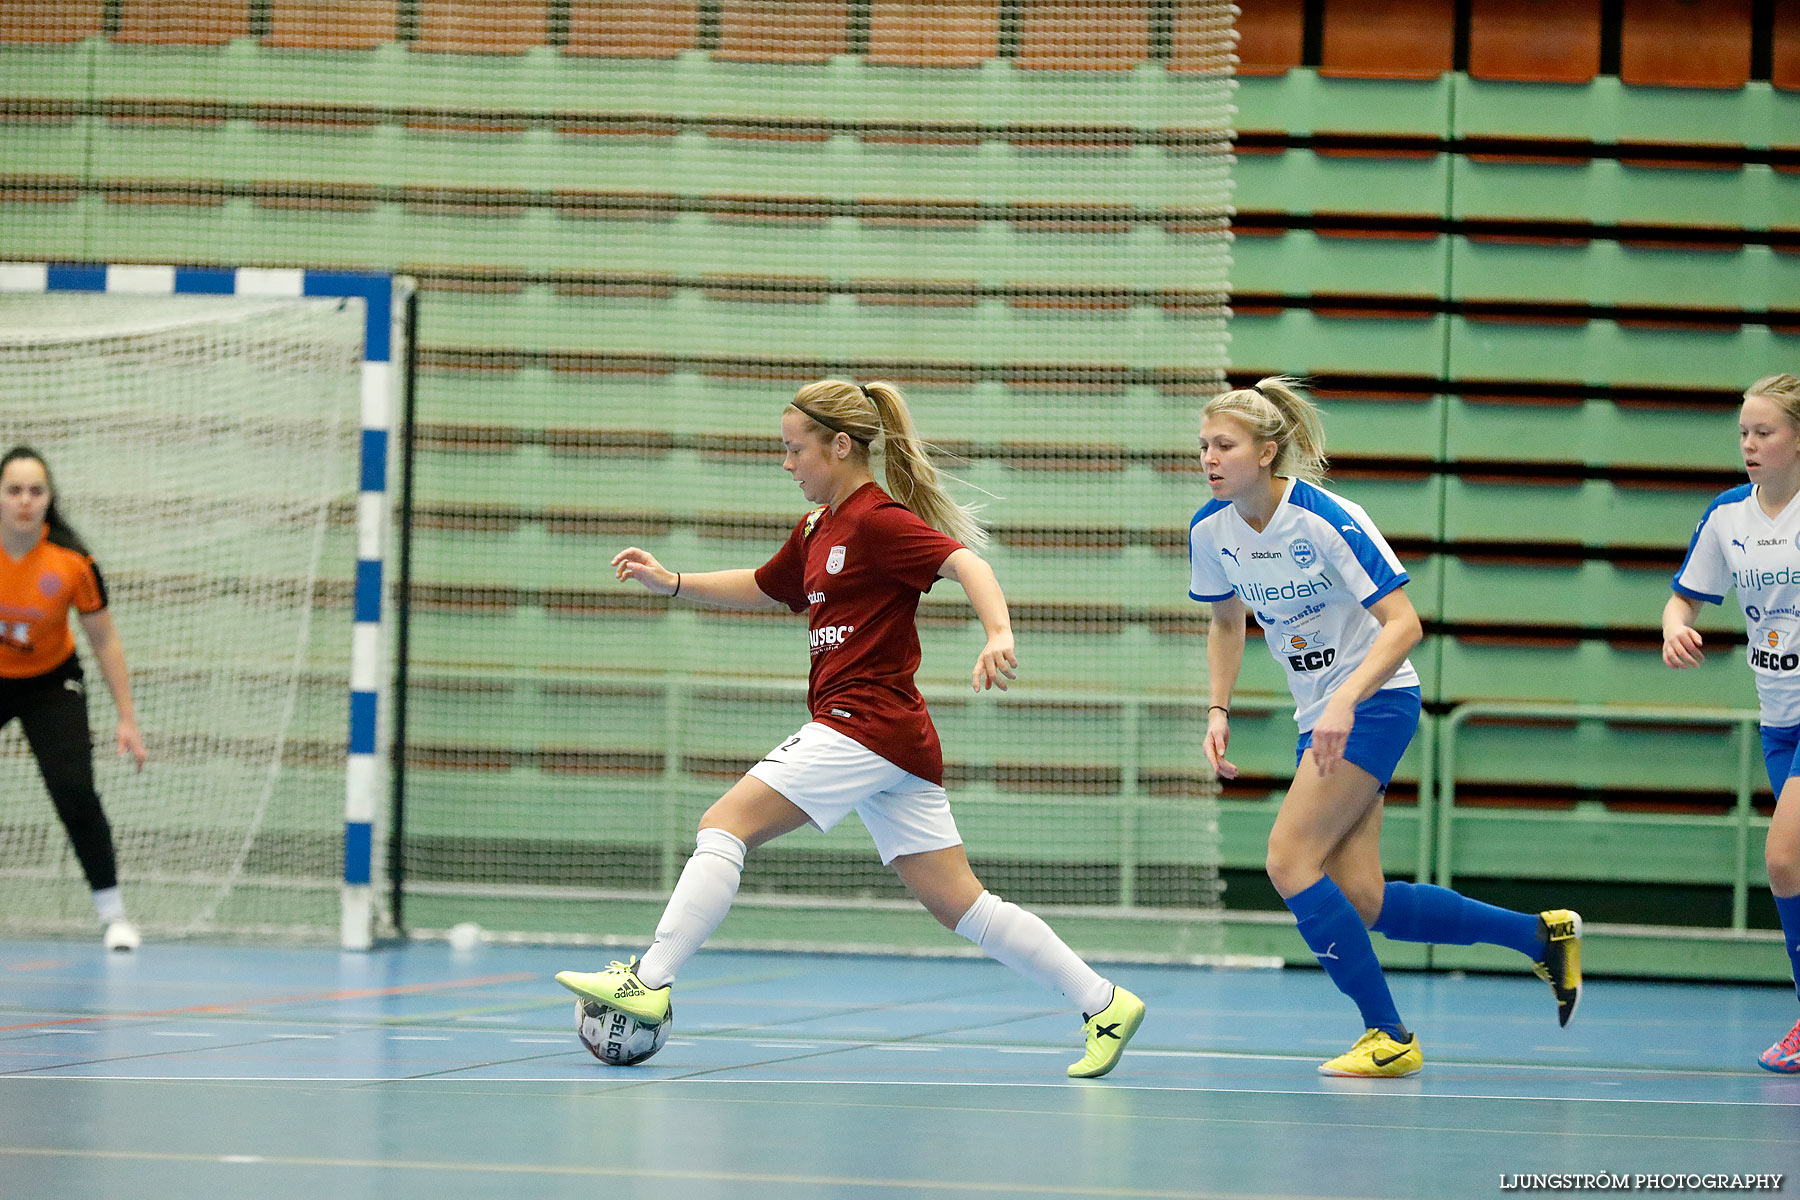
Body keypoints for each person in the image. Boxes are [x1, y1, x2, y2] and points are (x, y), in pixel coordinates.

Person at [556, 378, 1145, 1078]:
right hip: (893, 740)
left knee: (723, 824)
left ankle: (648, 981)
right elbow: (767, 585)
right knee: (962, 904)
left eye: (793, 449)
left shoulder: (876, 519)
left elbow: (965, 561)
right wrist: (674, 581)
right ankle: (1103, 1001)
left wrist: (998, 631)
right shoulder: (816, 529)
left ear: (840, 445)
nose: (786, 463)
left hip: (863, 722)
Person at [1189, 377, 1581, 1078]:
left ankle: (1388, 1034)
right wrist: (1219, 709)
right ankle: (1539, 937)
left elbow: (1404, 625)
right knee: (1364, 898)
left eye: (1224, 445)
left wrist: (1346, 698)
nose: (1209, 459)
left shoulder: (1327, 518)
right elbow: (1225, 621)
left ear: (1268, 451)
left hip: (1376, 702)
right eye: (1203, 447)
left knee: (1286, 857)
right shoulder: (1210, 532)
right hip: (1322, 714)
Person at [1664, 372, 1800, 1074]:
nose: (1749, 444)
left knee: (1782, 860)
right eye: (1743, 432)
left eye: (1764, 432)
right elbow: (1684, 599)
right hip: (1777, 718)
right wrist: (1673, 630)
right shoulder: (1728, 518)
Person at [0, 446, 147, 951]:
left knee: (75, 791)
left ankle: (114, 914)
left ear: (49, 498)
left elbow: (104, 640)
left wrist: (127, 719)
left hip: (50, 682)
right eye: (13, 490)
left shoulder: (72, 560)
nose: (24, 500)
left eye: (35, 491)